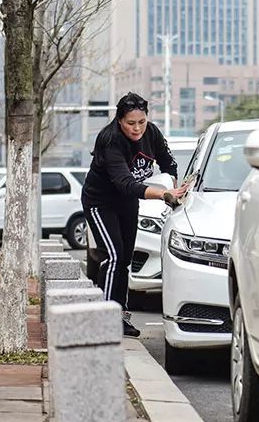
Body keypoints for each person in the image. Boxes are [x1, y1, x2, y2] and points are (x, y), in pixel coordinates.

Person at [81, 92, 189, 337]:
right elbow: (125, 183)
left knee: (125, 261)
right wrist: (163, 194)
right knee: (113, 256)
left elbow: (169, 163)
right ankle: (105, 319)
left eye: (141, 121)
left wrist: (174, 185)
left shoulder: (151, 134)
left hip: (127, 203)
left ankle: (120, 316)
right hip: (100, 202)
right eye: (131, 123)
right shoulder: (110, 141)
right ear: (120, 120)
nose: (137, 128)